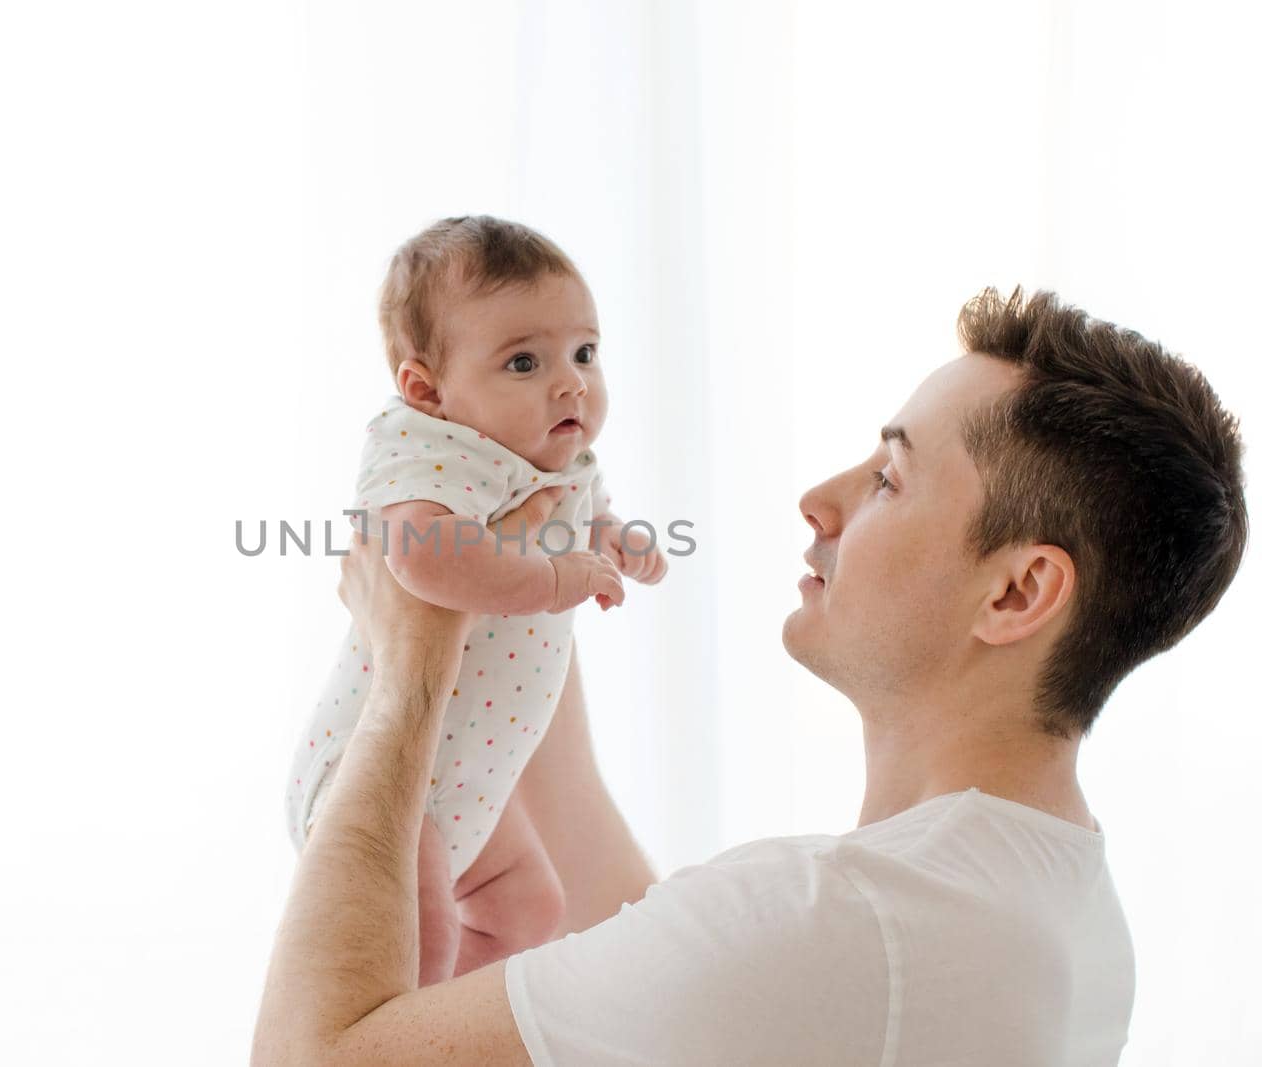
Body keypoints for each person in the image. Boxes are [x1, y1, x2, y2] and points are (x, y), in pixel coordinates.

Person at [252, 288, 1248, 1065]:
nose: (819, 500)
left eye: (889, 476)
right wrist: (520, 587)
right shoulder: (1057, 903)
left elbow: (312, 1057)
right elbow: (658, 965)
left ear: (1017, 589)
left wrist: (409, 664)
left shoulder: (840, 919)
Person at [283, 216, 667, 986]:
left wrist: (620, 538)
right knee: (415, 941)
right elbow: (421, 557)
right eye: (524, 361)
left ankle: (447, 1028)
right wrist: (555, 580)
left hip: (468, 782)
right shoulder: (425, 448)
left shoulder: (556, 454)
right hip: (381, 774)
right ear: (428, 390)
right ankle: (406, 1029)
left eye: (584, 353)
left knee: (529, 908)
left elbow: (582, 510)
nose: (571, 383)